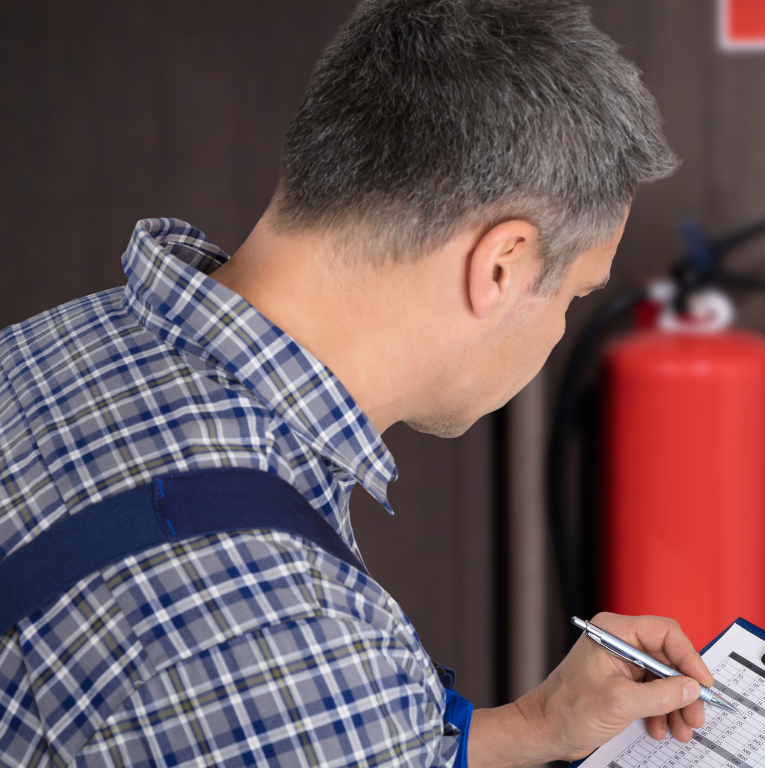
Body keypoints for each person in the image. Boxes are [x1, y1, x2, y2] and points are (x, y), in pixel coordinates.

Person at [0, 1, 714, 766]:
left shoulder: (55, 343)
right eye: (575, 294)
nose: (562, 326)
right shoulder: (297, 638)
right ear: (501, 265)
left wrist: (535, 725)